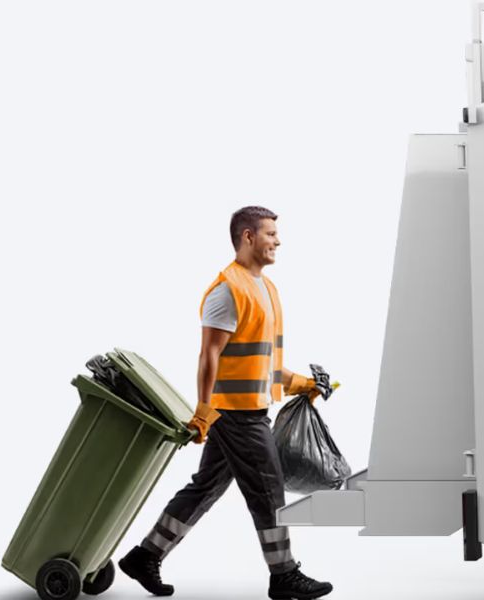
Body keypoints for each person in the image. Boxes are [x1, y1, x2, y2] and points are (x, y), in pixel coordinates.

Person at [119, 206, 333, 600]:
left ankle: (145, 555)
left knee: (205, 487)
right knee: (269, 492)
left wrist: (302, 383)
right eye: (270, 233)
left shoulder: (266, 288)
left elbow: (263, 361)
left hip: (248, 408)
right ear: (248, 237)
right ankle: (283, 574)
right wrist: (203, 409)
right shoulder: (226, 289)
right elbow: (209, 356)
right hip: (236, 414)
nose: (278, 241)